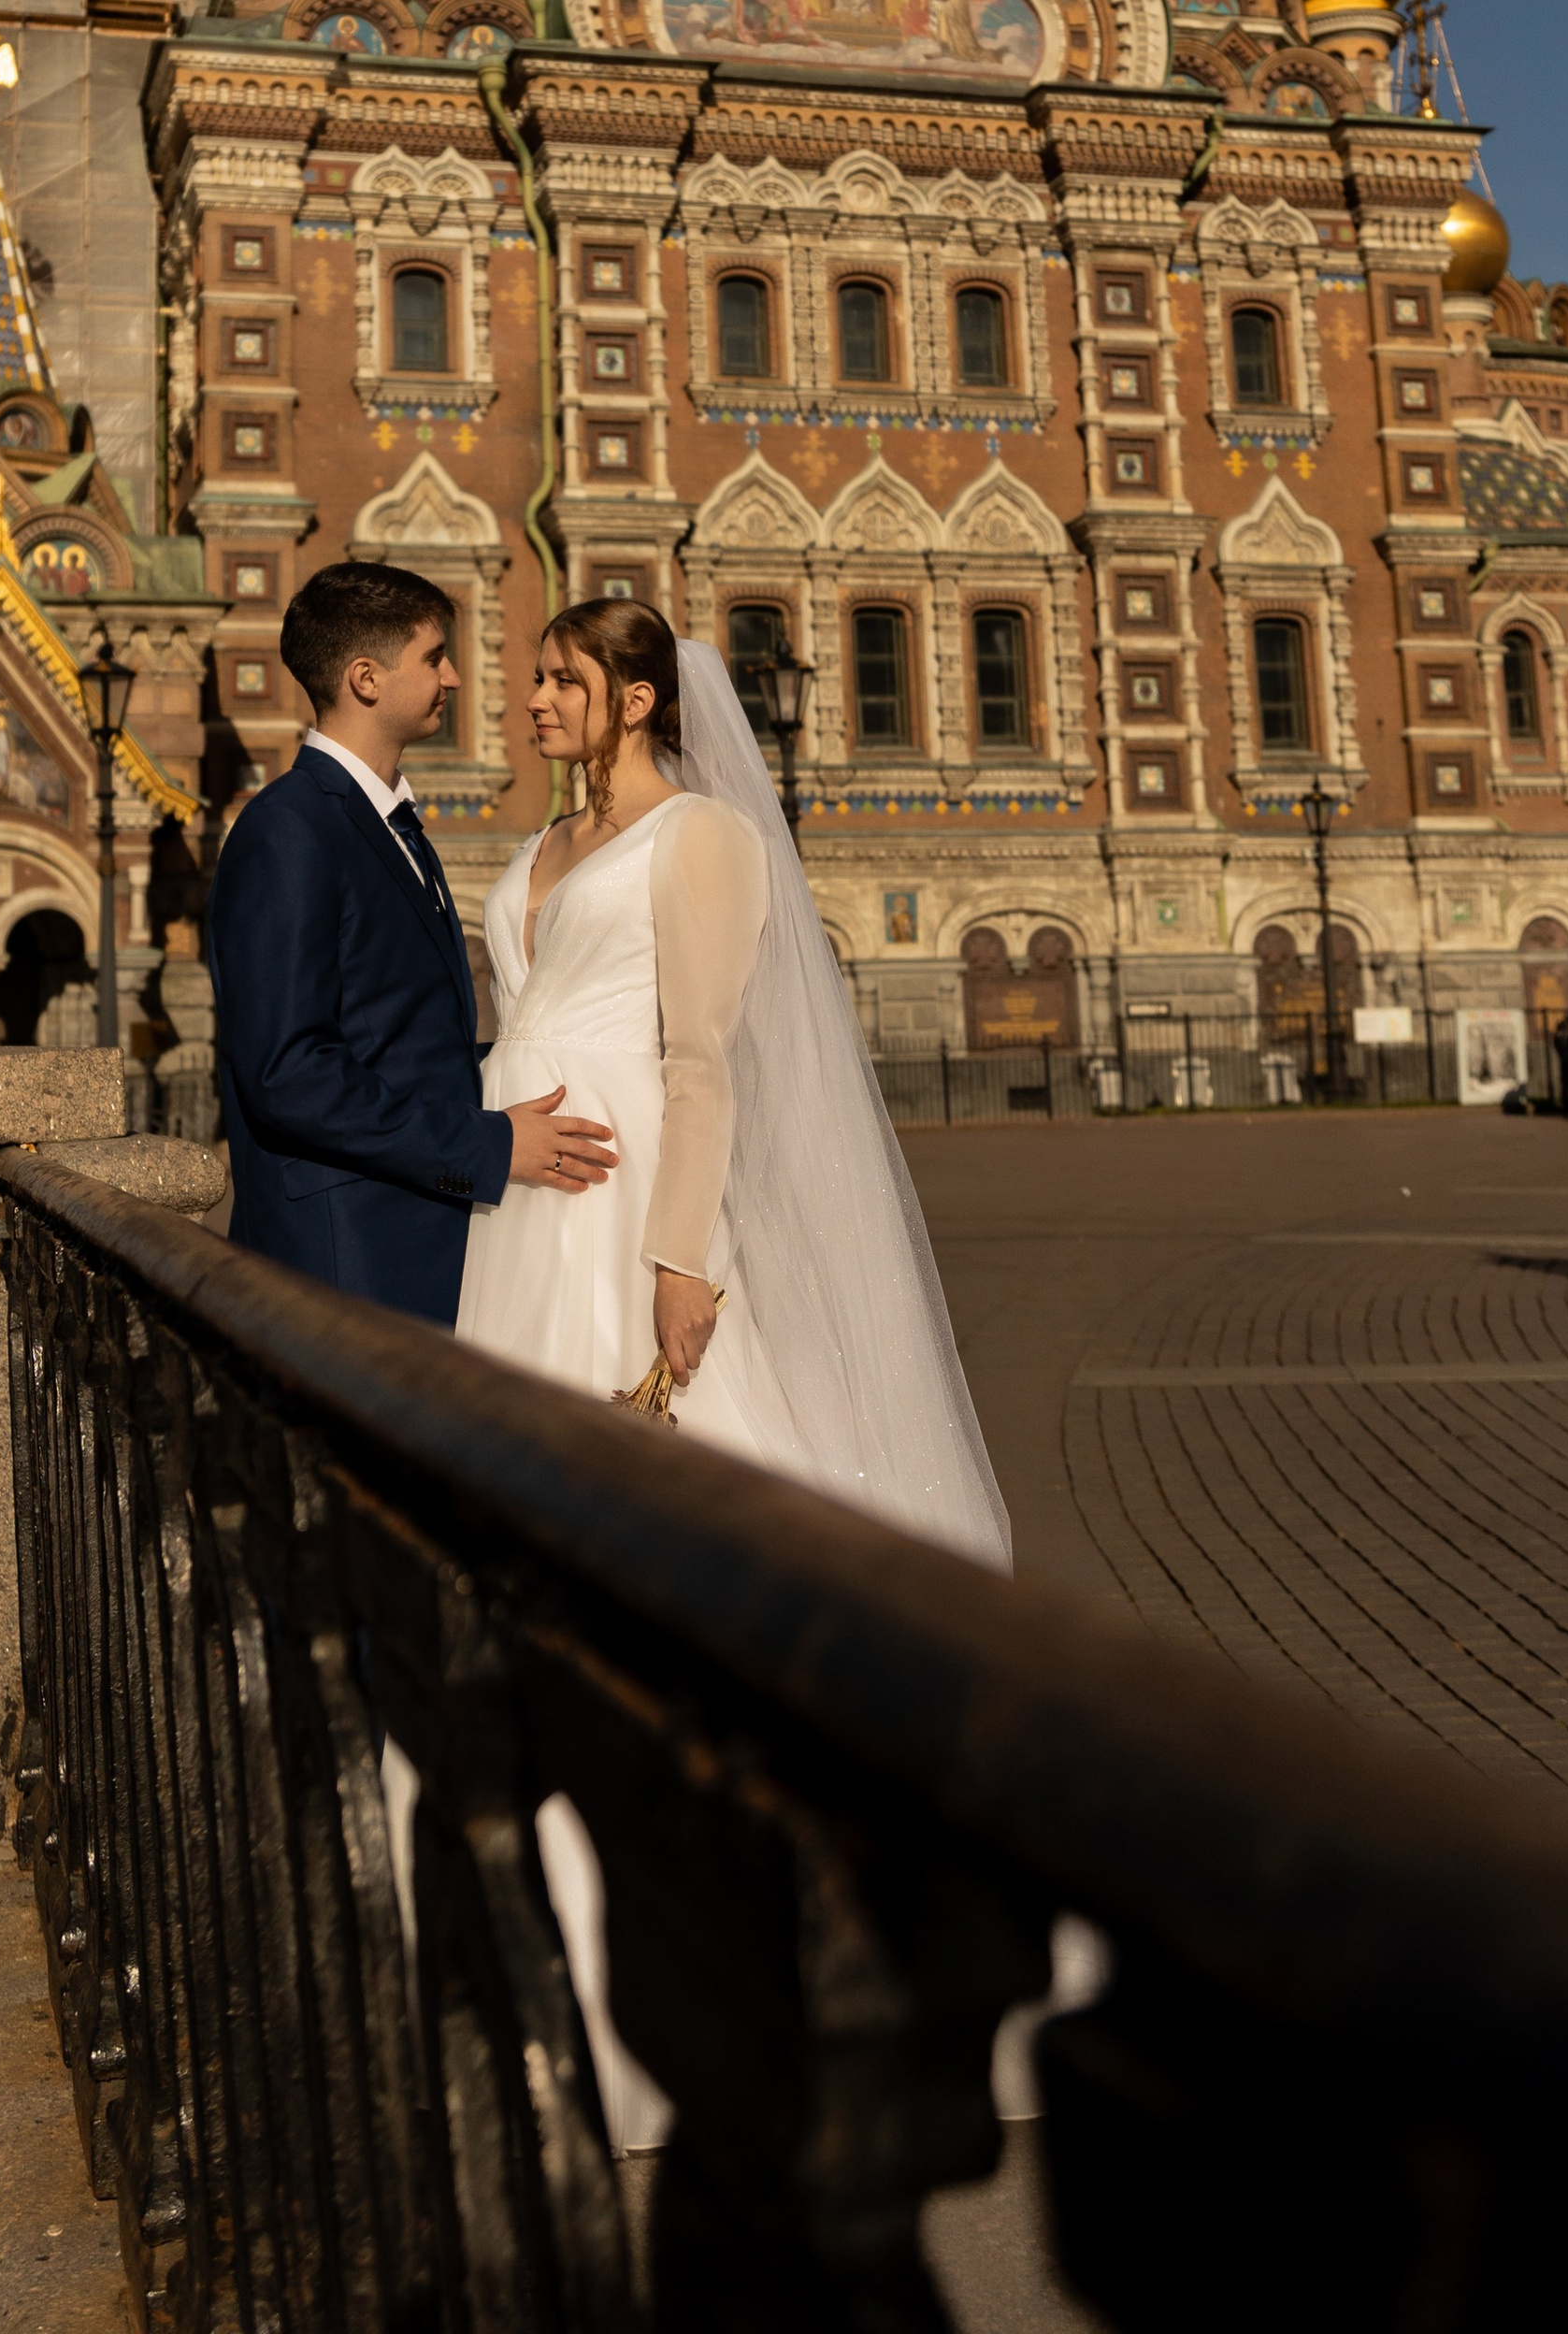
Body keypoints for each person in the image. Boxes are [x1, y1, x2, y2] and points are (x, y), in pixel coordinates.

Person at [453, 598, 1010, 2152]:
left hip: (630, 1204)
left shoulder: (699, 841)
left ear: (637, 697)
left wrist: (682, 1256)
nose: (537, 699)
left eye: (565, 680)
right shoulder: (544, 844)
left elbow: (700, 1058)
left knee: (674, 1533)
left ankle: (761, 1919)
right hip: (523, 1211)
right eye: (537, 677)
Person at [209, 561, 616, 1326]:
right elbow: (289, 1071)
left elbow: (402, 1038)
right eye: (434, 656)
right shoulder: (288, 830)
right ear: (366, 678)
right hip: (346, 1260)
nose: (455, 677)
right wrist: (489, 1147)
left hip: (412, 1238)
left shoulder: (393, 828)